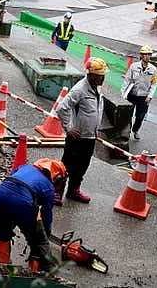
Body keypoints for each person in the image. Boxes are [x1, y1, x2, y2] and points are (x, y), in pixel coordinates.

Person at [0, 158, 67, 272]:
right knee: (39, 241)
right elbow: (46, 215)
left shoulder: (24, 167)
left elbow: (12, 182)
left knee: (1, 233)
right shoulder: (48, 187)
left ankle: (0, 267)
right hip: (23, 203)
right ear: (57, 178)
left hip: (0, 194)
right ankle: (41, 271)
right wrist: (44, 233)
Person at [55, 57, 107, 204]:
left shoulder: (96, 88)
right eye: (100, 76)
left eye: (103, 75)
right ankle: (57, 191)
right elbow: (62, 108)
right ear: (91, 75)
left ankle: (73, 190)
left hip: (90, 137)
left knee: (83, 165)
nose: (103, 79)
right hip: (77, 138)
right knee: (67, 165)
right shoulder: (79, 90)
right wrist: (69, 128)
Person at [121, 45, 157, 140]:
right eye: (146, 54)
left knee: (140, 116)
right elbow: (127, 80)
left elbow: (154, 84)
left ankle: (135, 130)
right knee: (128, 114)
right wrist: (123, 93)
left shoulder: (153, 69)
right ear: (141, 55)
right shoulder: (134, 66)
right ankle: (126, 131)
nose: (148, 56)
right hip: (132, 94)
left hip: (144, 96)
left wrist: (150, 96)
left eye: (149, 54)